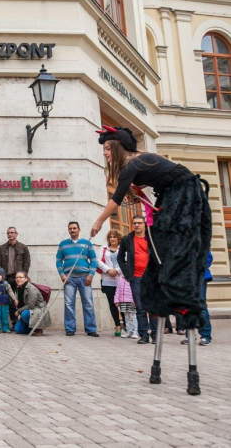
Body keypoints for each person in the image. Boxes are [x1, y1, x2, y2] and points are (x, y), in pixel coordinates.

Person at [91, 126, 212, 395]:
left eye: (108, 148)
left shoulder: (131, 164)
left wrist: (99, 221)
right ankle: (164, 295)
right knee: (162, 248)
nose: (105, 152)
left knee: (175, 250)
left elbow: (116, 199)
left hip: (185, 193)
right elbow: (142, 187)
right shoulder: (139, 163)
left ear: (119, 148)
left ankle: (182, 301)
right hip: (173, 195)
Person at [117, 216, 157, 344]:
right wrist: (127, 272)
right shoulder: (127, 239)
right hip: (136, 277)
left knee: (152, 307)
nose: (137, 225)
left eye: (139, 223)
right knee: (140, 307)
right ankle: (144, 334)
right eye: (134, 223)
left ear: (144, 225)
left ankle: (155, 335)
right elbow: (120, 257)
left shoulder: (152, 238)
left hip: (151, 277)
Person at [56, 222, 99, 337]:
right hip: (69, 278)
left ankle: (91, 329)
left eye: (74, 228)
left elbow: (94, 260)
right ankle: (70, 329)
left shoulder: (87, 243)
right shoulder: (63, 244)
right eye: (70, 229)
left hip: (85, 278)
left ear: (79, 229)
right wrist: (62, 275)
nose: (72, 230)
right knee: (69, 303)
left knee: (88, 303)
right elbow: (58, 260)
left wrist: (91, 275)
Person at [0, 227, 31, 324]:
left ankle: (23, 321)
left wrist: (23, 276)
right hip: (7, 278)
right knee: (10, 301)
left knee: (21, 299)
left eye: (12, 233)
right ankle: (15, 322)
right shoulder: (2, 248)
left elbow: (27, 263)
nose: (10, 234)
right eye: (8, 233)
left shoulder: (23, 247)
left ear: (16, 234)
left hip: (19, 279)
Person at [97, 229, 124, 337]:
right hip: (107, 280)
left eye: (114, 237)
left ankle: (126, 325)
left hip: (120, 279)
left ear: (118, 239)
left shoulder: (122, 248)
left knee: (122, 303)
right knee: (112, 304)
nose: (112, 239)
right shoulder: (103, 248)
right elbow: (98, 261)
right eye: (110, 237)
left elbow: (125, 260)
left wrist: (117, 270)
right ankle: (117, 325)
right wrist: (108, 270)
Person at [13, 271, 51, 336]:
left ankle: (38, 328)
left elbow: (30, 306)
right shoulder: (19, 288)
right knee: (18, 330)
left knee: (24, 314)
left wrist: (18, 311)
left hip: (37, 311)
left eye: (20, 277)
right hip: (29, 311)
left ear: (26, 279)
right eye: (16, 278)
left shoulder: (31, 289)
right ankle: (32, 327)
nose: (18, 279)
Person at [114, 272, 138, 339]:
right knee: (126, 317)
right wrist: (116, 300)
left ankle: (135, 331)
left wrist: (135, 300)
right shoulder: (120, 279)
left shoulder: (132, 280)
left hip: (131, 301)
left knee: (133, 317)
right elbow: (117, 290)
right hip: (122, 301)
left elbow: (135, 290)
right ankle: (129, 331)